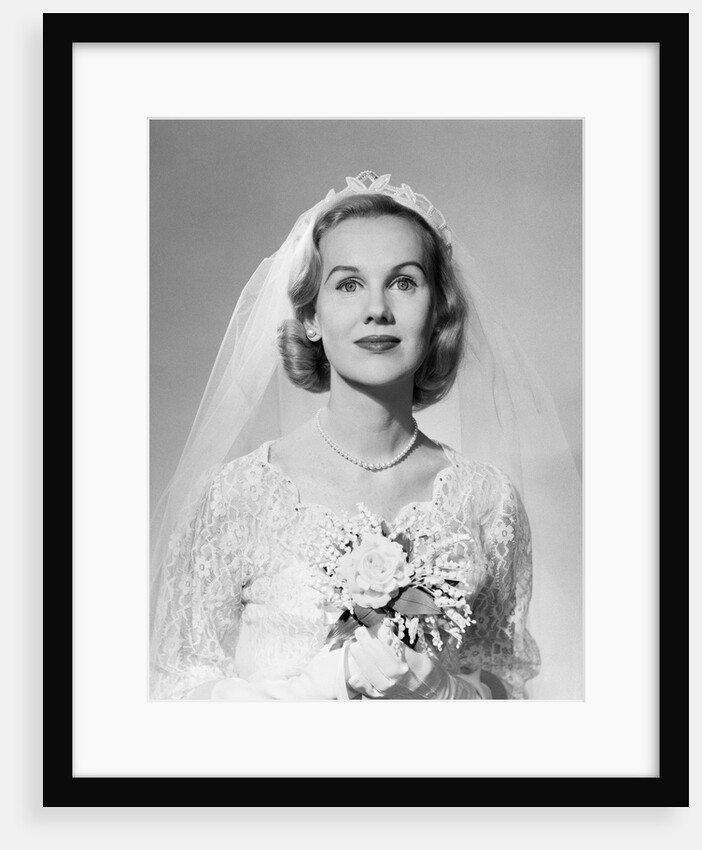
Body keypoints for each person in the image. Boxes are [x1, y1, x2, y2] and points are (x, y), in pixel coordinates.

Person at [150, 171, 578, 701]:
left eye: (404, 282)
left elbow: (508, 688)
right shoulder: (234, 497)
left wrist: (443, 692)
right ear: (310, 316)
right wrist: (319, 688)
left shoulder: (488, 502)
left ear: (437, 312)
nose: (378, 308)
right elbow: (178, 697)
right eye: (348, 284)